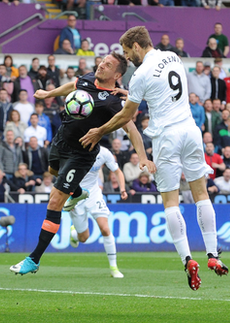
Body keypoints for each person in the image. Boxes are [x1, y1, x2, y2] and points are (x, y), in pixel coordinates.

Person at [81, 26, 229, 290]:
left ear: (137, 46)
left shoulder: (140, 74)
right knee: (201, 195)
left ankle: (187, 260)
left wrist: (100, 130)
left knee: (171, 202)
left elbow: (126, 116)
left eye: (128, 52)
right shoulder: (174, 57)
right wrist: (131, 95)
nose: (129, 57)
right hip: (191, 131)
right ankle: (212, 254)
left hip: (167, 138)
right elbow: (164, 92)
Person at [10, 52, 152, 275]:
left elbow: (131, 128)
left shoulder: (114, 102)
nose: (101, 65)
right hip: (61, 140)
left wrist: (142, 157)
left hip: (82, 154)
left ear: (117, 74)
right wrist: (49, 93)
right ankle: (77, 193)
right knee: (52, 171)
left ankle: (34, 258)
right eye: (102, 61)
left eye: (107, 65)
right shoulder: (87, 79)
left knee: (55, 200)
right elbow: (71, 86)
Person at [68, 146, 127, 278]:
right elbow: (63, 175)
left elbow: (117, 171)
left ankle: (114, 267)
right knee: (84, 238)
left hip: (94, 194)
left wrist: (122, 188)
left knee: (105, 229)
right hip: (76, 195)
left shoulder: (104, 153)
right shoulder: (74, 150)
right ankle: (74, 234)